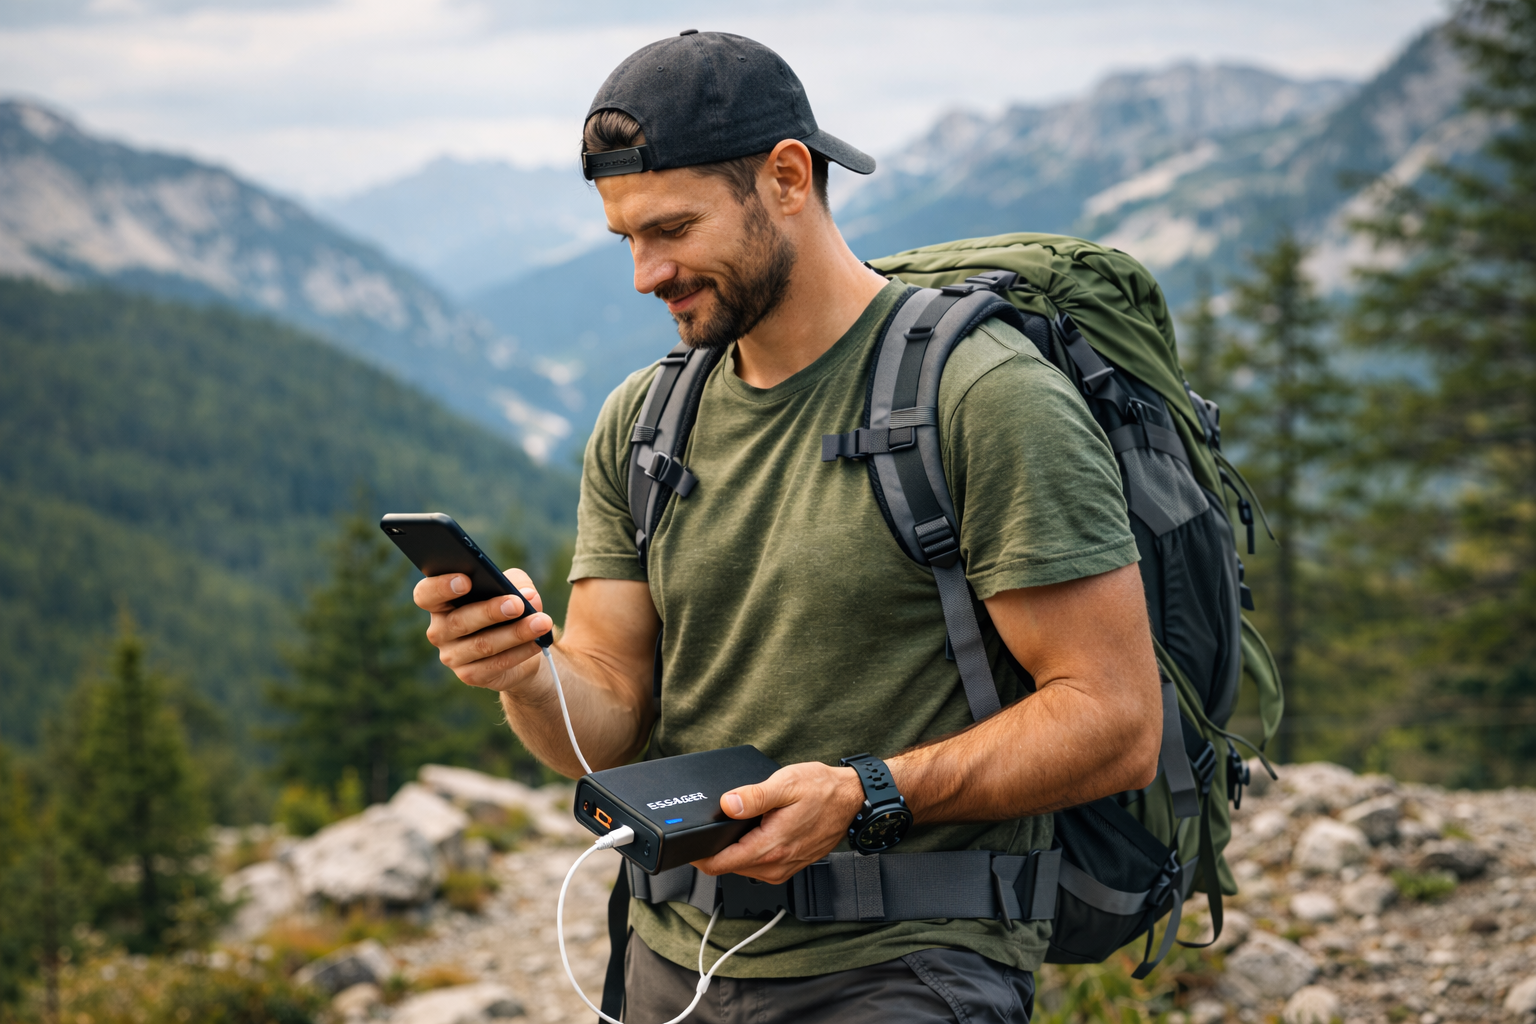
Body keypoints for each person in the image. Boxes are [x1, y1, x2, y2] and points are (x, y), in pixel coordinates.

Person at [414, 30, 1161, 1024]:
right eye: (627, 238)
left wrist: (865, 793)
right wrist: (523, 668)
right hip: (671, 962)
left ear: (786, 177)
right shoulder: (644, 425)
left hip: (908, 967)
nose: (645, 273)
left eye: (672, 228)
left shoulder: (984, 399)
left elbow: (1114, 720)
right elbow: (610, 723)